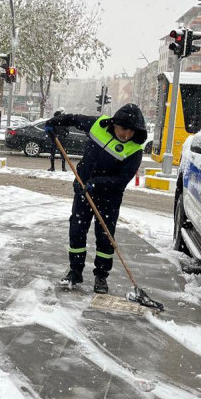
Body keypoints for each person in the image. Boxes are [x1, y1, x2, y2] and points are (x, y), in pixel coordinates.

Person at [44, 104, 147, 294]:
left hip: (109, 197)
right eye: (124, 129)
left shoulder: (134, 150)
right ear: (115, 123)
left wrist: (96, 183)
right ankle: (75, 272)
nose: (127, 134)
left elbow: (121, 180)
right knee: (77, 229)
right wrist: (54, 122)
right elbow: (74, 119)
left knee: (105, 236)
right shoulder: (97, 125)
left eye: (132, 131)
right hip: (83, 190)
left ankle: (101, 276)